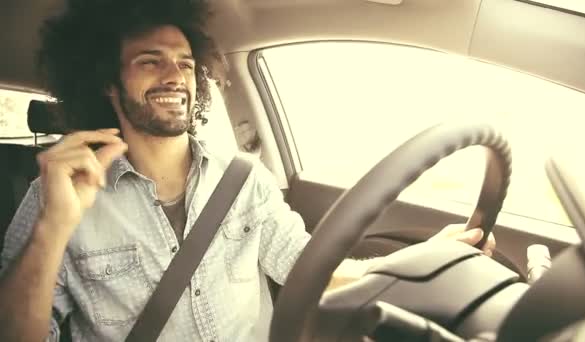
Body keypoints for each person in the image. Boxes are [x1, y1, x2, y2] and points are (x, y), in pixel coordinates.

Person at [0, 0, 495, 341]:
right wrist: (54, 226)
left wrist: (425, 258)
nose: (175, 76)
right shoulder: (57, 196)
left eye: (185, 64)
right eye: (150, 63)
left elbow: (313, 273)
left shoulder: (242, 179)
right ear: (108, 85)